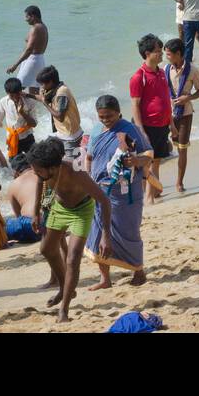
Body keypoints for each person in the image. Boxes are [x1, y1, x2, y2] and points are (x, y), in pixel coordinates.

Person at [29, 137, 112, 323]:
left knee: (73, 258)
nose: (35, 172)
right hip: (60, 207)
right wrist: (36, 212)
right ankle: (65, 288)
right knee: (46, 249)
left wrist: (106, 235)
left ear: (53, 167)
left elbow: (104, 201)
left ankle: (64, 310)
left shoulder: (75, 172)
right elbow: (39, 183)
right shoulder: (43, 172)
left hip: (82, 210)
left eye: (38, 170)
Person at [87, 94, 153, 290]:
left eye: (109, 116)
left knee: (128, 232)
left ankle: (138, 271)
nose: (106, 120)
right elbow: (89, 156)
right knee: (98, 232)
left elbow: (148, 154)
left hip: (125, 193)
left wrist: (135, 161)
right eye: (102, 117)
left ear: (118, 113)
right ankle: (104, 278)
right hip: (100, 189)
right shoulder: (97, 130)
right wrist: (87, 177)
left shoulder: (129, 129)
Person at [129, 34, 172, 202]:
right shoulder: (139, 77)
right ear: (147, 53)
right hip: (147, 125)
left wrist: (172, 123)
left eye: (161, 51)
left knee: (157, 159)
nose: (161, 54)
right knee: (146, 161)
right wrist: (140, 130)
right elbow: (135, 105)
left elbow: (166, 100)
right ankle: (148, 197)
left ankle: (154, 191)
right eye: (158, 51)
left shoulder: (161, 72)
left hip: (162, 124)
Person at [163, 38, 199, 192]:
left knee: (182, 148)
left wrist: (188, 98)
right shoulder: (166, 69)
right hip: (168, 113)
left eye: (169, 54)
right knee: (162, 146)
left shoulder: (192, 70)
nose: (166, 57)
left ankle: (179, 182)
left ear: (178, 54)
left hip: (185, 113)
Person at [37, 66, 83, 163]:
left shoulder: (62, 92)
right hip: (62, 133)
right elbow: (42, 98)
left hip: (70, 137)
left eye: (43, 84)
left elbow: (60, 117)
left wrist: (44, 103)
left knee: (74, 166)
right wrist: (25, 95)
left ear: (50, 82)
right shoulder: (55, 89)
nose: (41, 87)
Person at [0, 77, 40, 160]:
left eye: (17, 94)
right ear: (7, 93)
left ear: (21, 91)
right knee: (15, 166)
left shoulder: (29, 101)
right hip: (12, 139)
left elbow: (34, 124)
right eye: (12, 95)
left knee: (36, 161)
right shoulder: (3, 101)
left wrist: (22, 112)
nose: (15, 98)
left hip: (27, 137)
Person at [7, 5, 49, 95]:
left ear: (33, 16)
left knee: (17, 87)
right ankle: (35, 109)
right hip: (39, 59)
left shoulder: (35, 28)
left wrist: (15, 65)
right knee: (34, 89)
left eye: (27, 17)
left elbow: (29, 49)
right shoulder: (43, 27)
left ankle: (18, 108)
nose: (25, 19)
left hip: (33, 60)